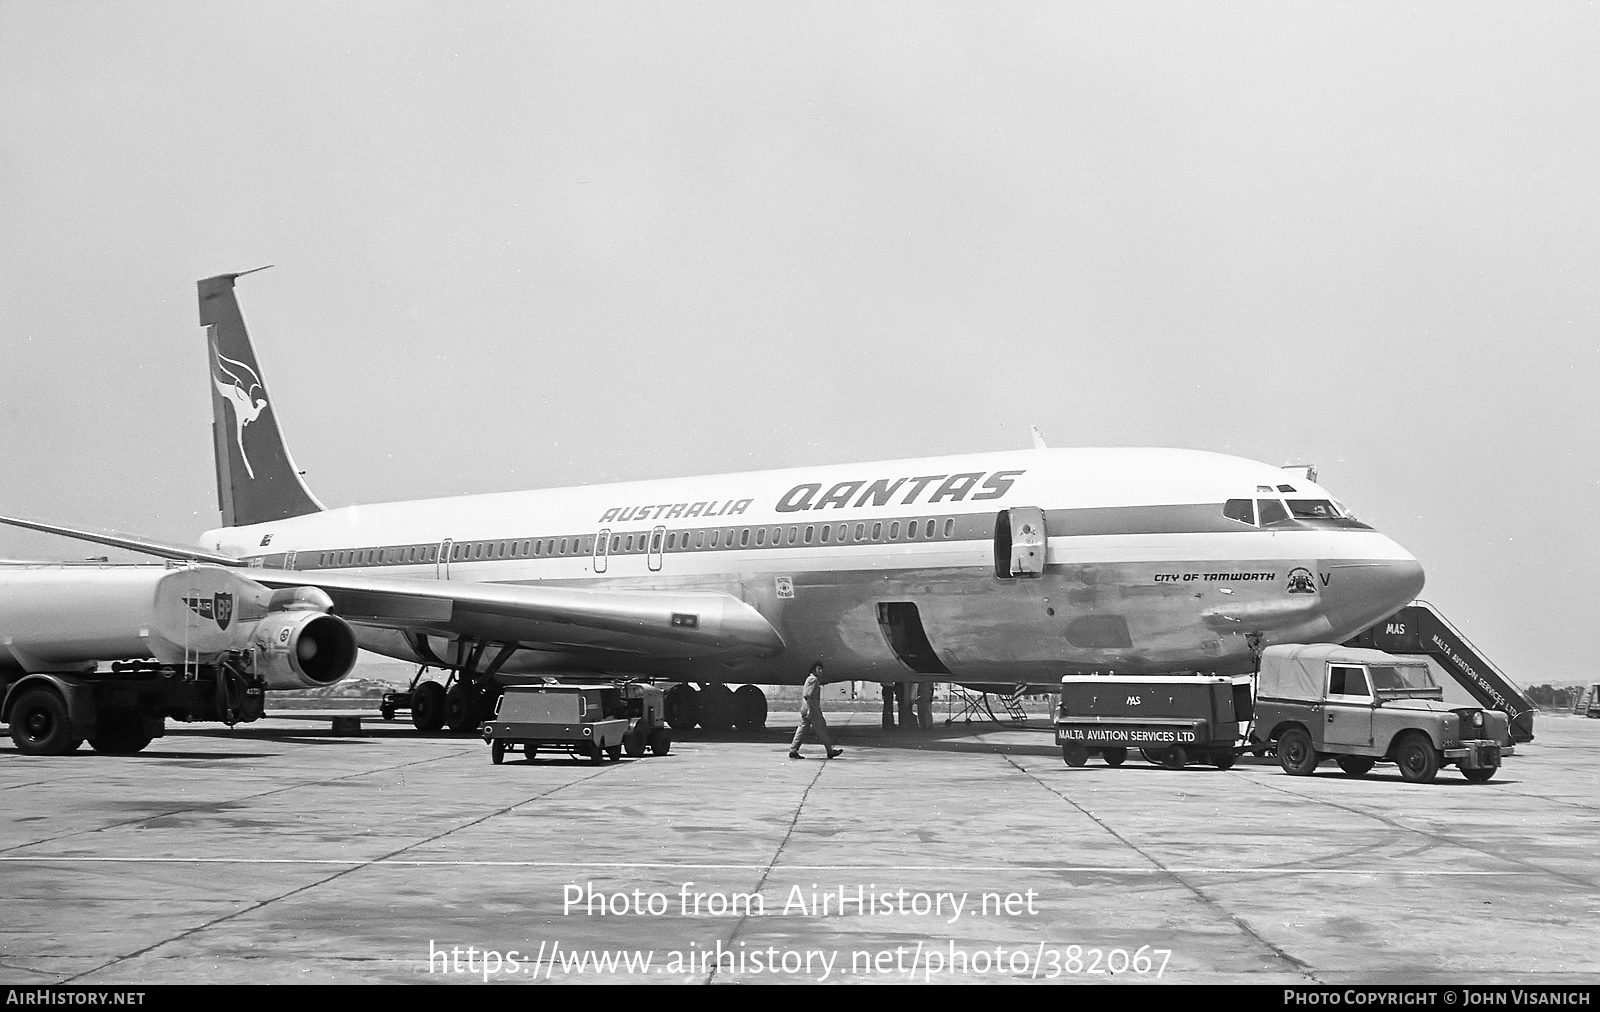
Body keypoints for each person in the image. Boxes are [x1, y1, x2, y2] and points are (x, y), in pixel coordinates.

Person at [789, 662, 843, 759]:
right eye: (818, 669)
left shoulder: (810, 679)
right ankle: (830, 751)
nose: (820, 671)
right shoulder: (813, 680)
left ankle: (793, 750)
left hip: (807, 709)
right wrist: (811, 710)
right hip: (812, 710)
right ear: (813, 670)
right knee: (822, 730)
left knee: (802, 729)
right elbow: (808, 696)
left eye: (821, 669)